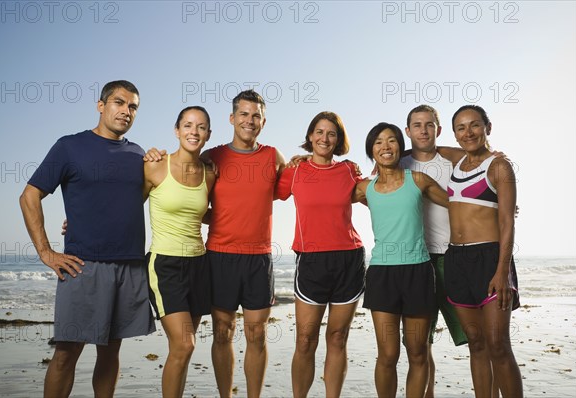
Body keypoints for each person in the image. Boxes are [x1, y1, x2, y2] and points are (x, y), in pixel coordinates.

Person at [144, 89, 286, 398]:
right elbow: (192, 200)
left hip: (258, 259)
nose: (250, 120)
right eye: (244, 114)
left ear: (264, 120)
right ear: (232, 119)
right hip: (218, 257)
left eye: (256, 115)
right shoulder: (212, 159)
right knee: (221, 333)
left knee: (257, 336)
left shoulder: (273, 157)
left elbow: (295, 186)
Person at [19, 80, 155, 398]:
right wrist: (45, 251)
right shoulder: (69, 147)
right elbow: (29, 196)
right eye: (119, 103)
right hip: (83, 267)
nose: (126, 111)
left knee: (110, 354)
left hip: (129, 266)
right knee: (66, 354)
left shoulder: (137, 154)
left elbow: (131, 200)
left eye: (133, 106)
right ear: (101, 105)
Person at [353, 122, 448, 398]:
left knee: (417, 352)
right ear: (371, 150)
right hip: (382, 275)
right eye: (379, 142)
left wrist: (495, 202)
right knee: (387, 354)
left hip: (418, 272)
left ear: (400, 146)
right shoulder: (363, 189)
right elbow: (328, 193)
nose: (386, 146)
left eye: (392, 140)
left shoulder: (417, 180)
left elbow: (457, 204)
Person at [275, 112, 365, 398]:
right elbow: (261, 194)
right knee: (305, 339)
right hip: (312, 261)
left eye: (331, 134)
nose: (325, 138)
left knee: (338, 338)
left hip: (349, 259)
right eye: (319, 132)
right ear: (310, 136)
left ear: (338, 140)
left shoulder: (349, 170)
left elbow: (380, 192)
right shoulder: (296, 171)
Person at [445, 105, 522, 397]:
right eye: (461, 128)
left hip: (490, 259)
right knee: (476, 345)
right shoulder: (456, 161)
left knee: (498, 345)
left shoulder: (499, 166)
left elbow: (506, 222)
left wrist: (502, 271)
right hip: (457, 260)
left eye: (475, 125)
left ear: (488, 127)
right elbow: (424, 146)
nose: (468, 133)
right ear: (454, 133)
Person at [143, 106, 216, 397]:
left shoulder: (210, 173)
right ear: (176, 130)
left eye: (200, 127)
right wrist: (83, 222)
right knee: (185, 344)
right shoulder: (155, 165)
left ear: (208, 134)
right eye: (187, 126)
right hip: (165, 265)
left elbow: (211, 213)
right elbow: (123, 206)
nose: (193, 132)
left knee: (182, 349)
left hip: (199, 264)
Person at [400, 105, 468, 397]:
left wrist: (500, 205)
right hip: (414, 262)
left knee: (475, 339)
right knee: (419, 345)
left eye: (429, 125)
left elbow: (480, 186)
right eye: (417, 125)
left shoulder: (455, 161)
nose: (423, 130)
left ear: (438, 130)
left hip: (453, 258)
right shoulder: (396, 163)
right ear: (408, 131)